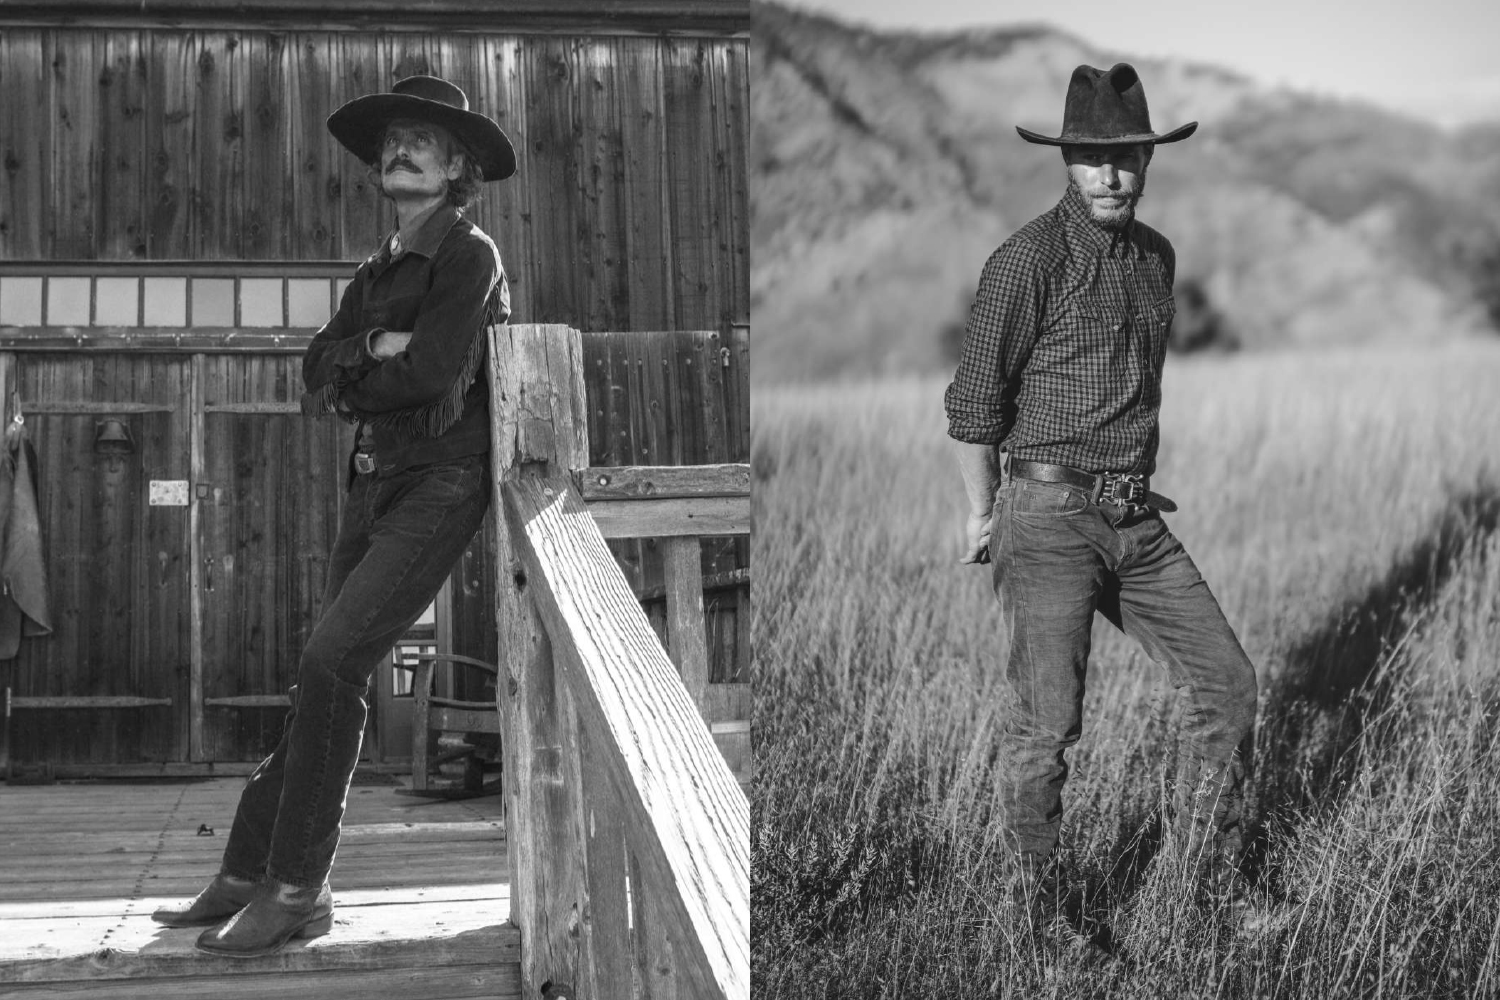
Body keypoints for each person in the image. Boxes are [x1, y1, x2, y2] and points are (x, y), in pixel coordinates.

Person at [151, 74, 516, 958]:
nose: (401, 150)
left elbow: (431, 376)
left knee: (330, 659)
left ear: (457, 164)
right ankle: (244, 871)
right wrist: (364, 349)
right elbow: (317, 368)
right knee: (321, 677)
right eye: (393, 138)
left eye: (422, 140)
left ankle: (297, 889)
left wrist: (367, 369)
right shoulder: (376, 269)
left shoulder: (471, 255)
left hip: (441, 482)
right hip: (373, 481)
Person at [943, 64, 1259, 922]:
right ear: (1068, 162)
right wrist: (983, 514)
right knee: (1049, 726)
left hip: (1135, 513)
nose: (1111, 174)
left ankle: (1209, 887)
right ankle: (1042, 918)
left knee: (1226, 685)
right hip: (1045, 512)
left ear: (1149, 161)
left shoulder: (1156, 258)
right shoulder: (1024, 263)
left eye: (1126, 156)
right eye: (1092, 158)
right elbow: (974, 408)